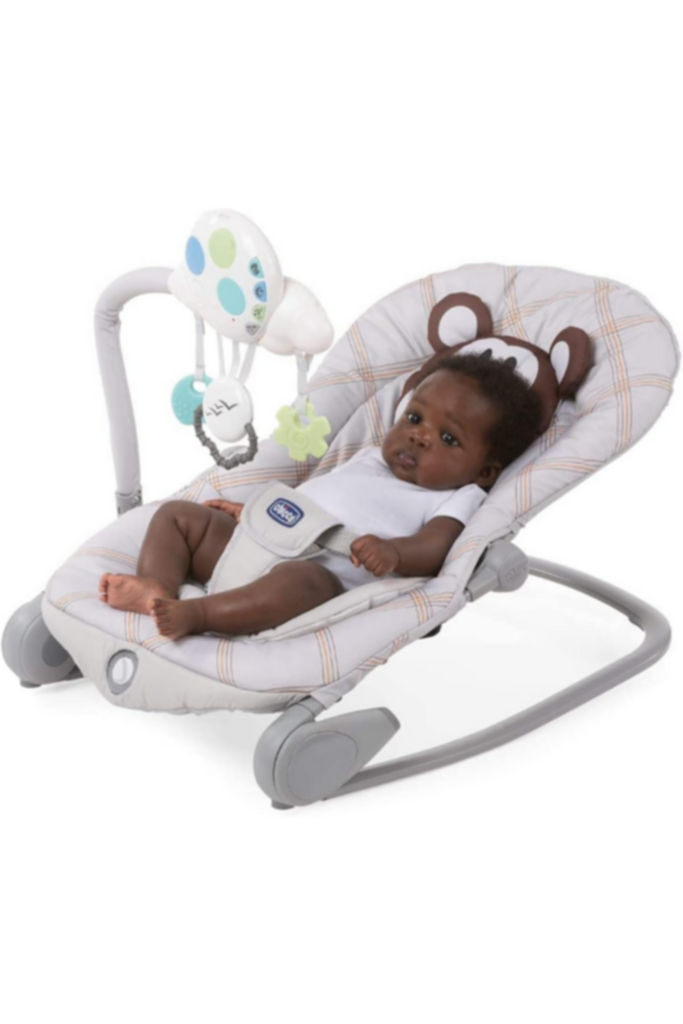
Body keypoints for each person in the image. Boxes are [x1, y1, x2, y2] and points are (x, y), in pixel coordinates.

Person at [98, 351, 544, 640]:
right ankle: (155, 586)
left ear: (484, 471)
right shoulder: (369, 458)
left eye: (448, 439)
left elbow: (436, 546)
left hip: (318, 576)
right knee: (179, 517)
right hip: (253, 543)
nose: (419, 436)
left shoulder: (457, 496)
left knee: (301, 582)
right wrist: (250, 514)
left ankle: (199, 615)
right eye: (414, 418)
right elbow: (311, 499)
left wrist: (395, 553)